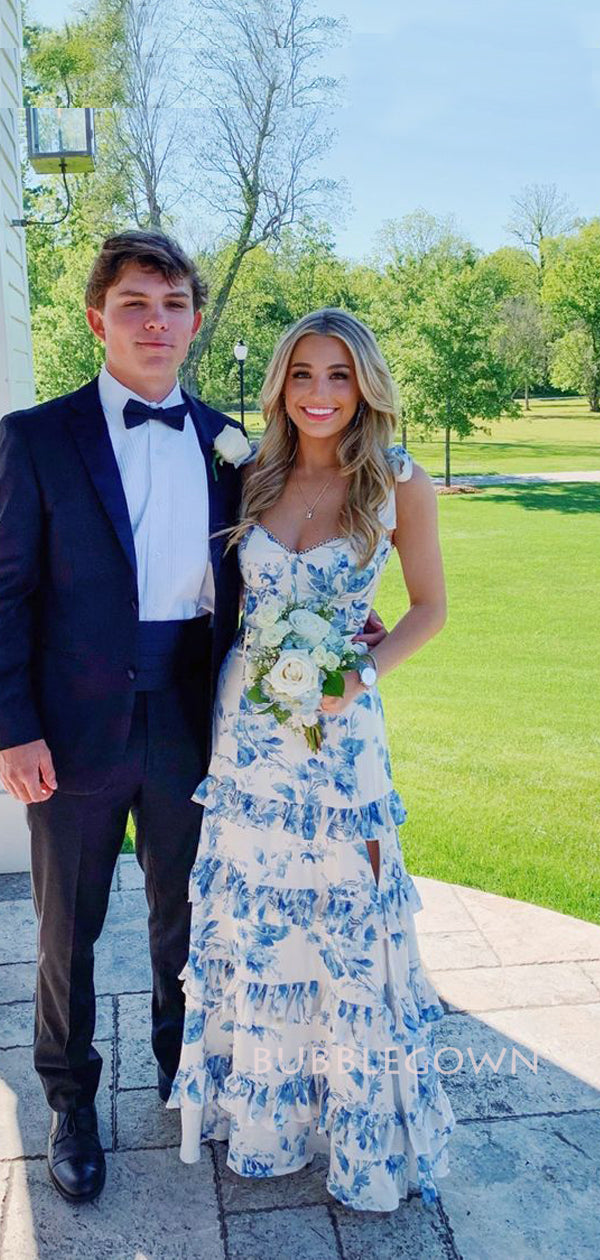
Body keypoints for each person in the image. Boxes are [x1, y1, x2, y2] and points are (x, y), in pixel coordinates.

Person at [167, 308, 456, 1212]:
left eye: (339, 375)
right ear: (281, 386)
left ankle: (359, 1135)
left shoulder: (397, 482)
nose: (320, 393)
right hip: (247, 739)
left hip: (340, 737)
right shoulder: (251, 472)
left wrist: (359, 672)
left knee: (346, 916)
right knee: (260, 919)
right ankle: (266, 1119)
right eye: (303, 374)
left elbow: (430, 610)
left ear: (365, 385)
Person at [0, 230, 249, 1204]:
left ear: (195, 321)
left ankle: (183, 1074)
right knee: (68, 928)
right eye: (135, 304)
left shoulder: (229, 443)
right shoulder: (36, 437)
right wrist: (13, 725)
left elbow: (263, 570)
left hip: (193, 717)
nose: (156, 322)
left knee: (186, 915)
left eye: (173, 304)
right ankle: (70, 1101)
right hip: (70, 728)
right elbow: (6, 593)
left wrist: (346, 610)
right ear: (98, 320)